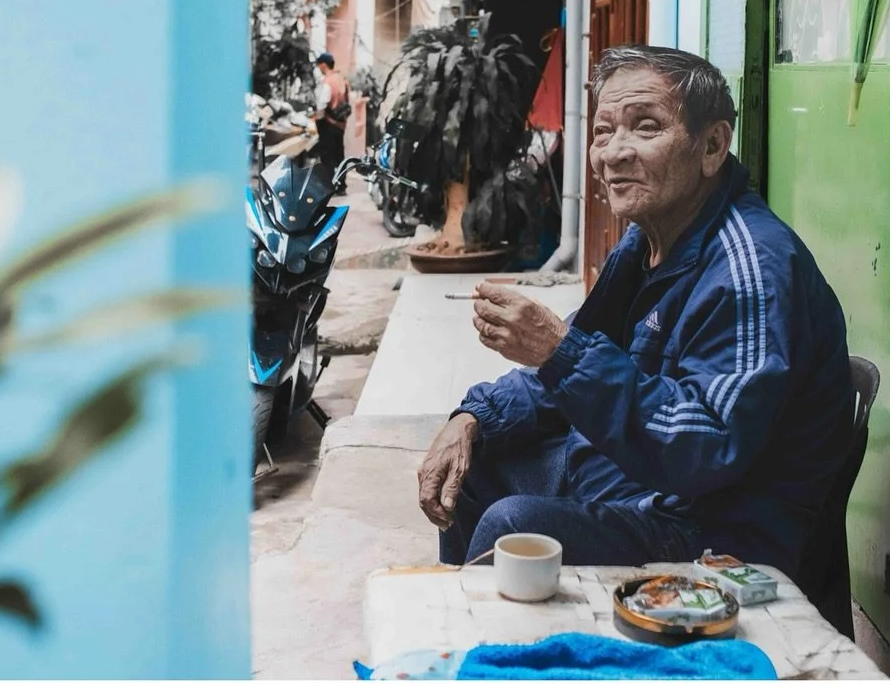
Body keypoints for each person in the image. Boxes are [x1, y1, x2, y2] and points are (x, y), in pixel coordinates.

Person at [416, 45, 856, 580]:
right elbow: (565, 371)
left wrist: (559, 351)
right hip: (643, 487)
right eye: (604, 132)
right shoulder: (648, 241)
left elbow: (706, 448)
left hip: (719, 531)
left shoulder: (753, 269)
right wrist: (474, 416)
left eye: (645, 127)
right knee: (474, 468)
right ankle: (475, 638)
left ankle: (503, 653)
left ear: (712, 145)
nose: (614, 153)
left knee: (514, 525)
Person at [313, 52, 350, 188]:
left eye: (319, 65)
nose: (318, 68)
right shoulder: (341, 79)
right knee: (339, 155)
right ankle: (341, 184)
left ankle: (328, 185)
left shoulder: (328, 81)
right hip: (341, 123)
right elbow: (346, 101)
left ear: (323, 65)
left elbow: (323, 102)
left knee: (327, 156)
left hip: (328, 122)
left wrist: (318, 119)